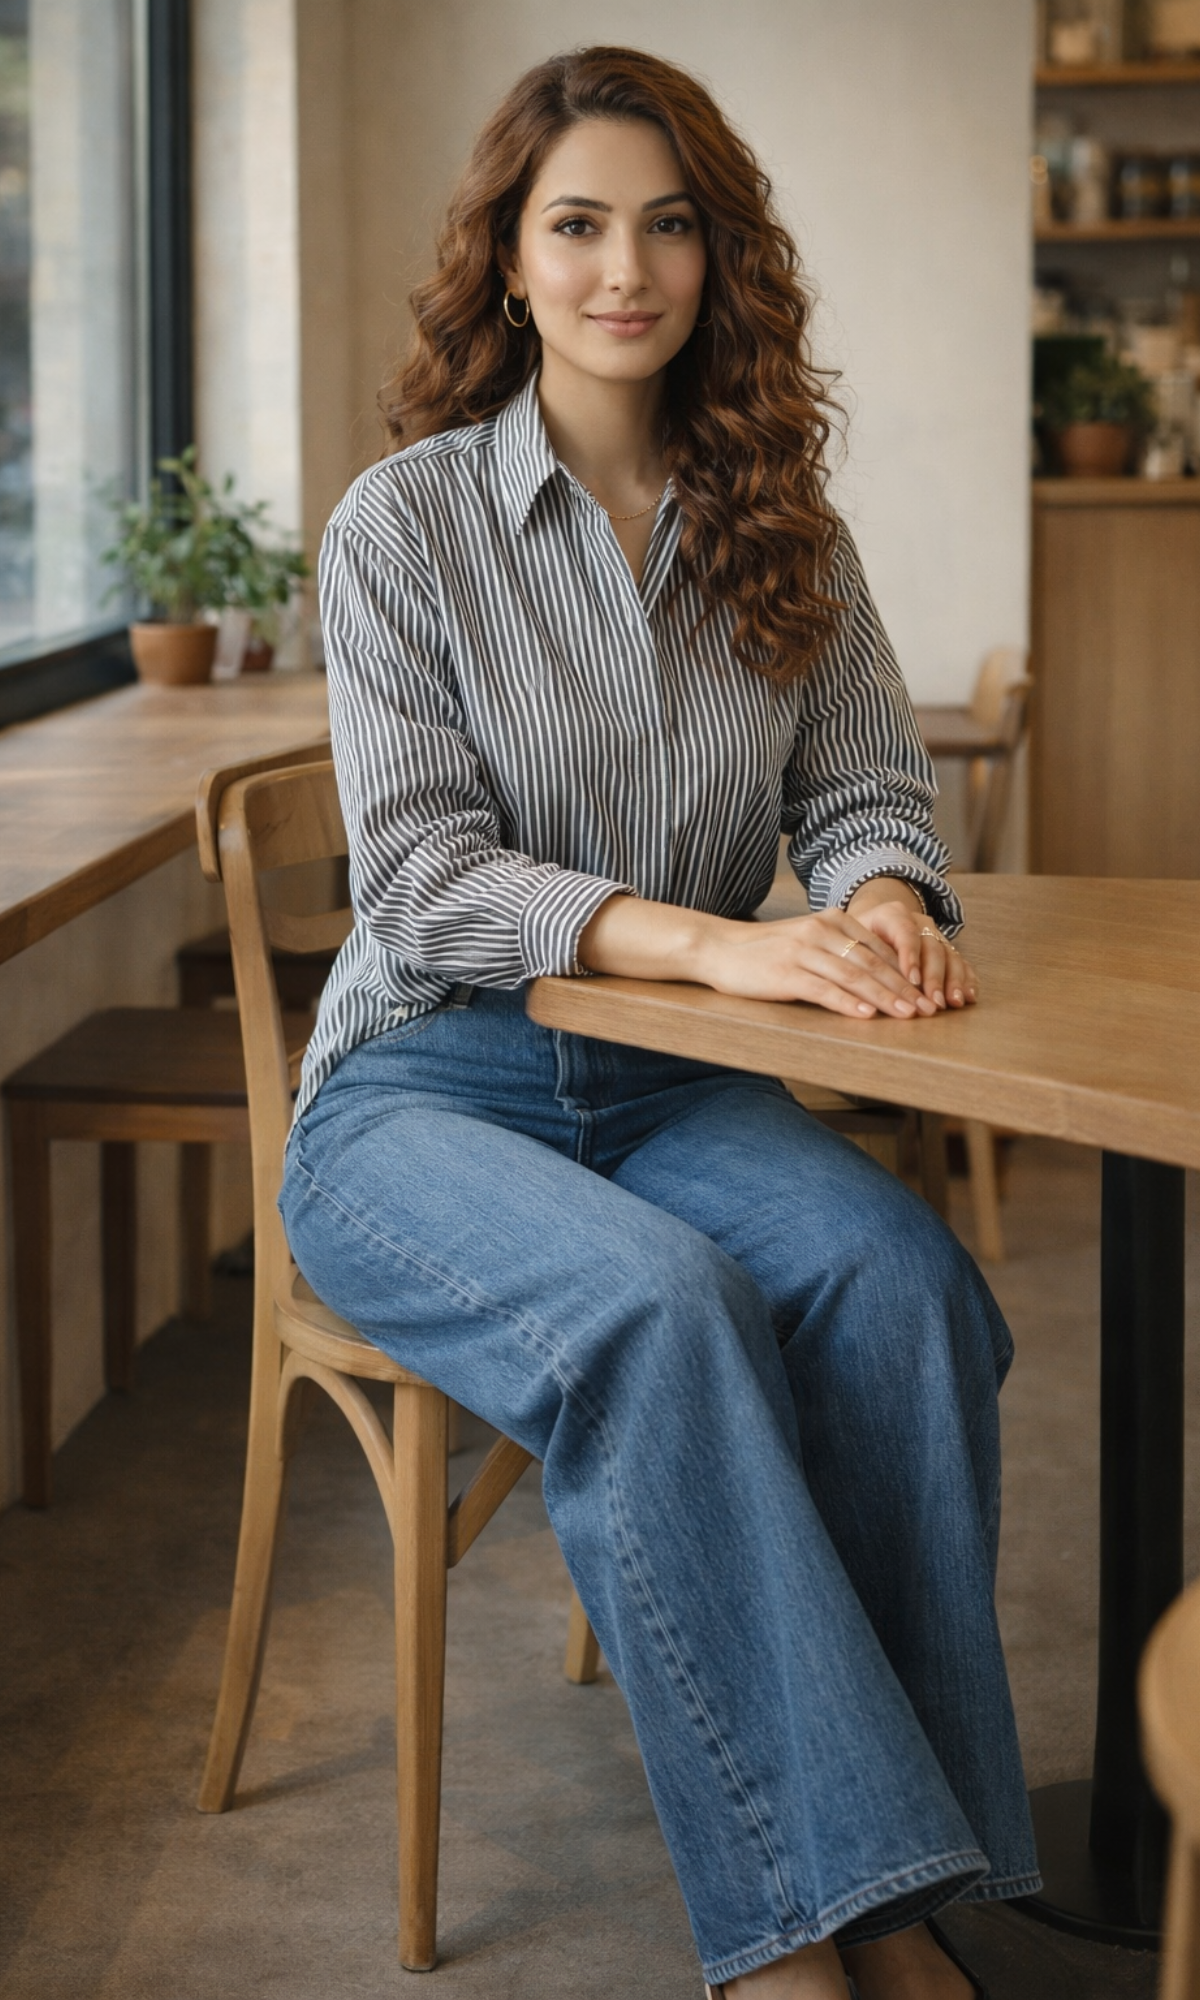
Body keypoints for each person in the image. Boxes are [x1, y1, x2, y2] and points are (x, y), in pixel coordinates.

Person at [281, 45, 1039, 2000]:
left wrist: (880, 894)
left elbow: (864, 787)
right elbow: (420, 878)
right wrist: (719, 949)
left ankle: (907, 1895)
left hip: (667, 1094)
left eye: (669, 225)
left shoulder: (786, 526)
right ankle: (803, 1949)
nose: (626, 269)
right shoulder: (403, 527)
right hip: (418, 1094)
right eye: (578, 225)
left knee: (902, 1283)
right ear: (509, 261)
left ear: (719, 258)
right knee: (664, 1307)